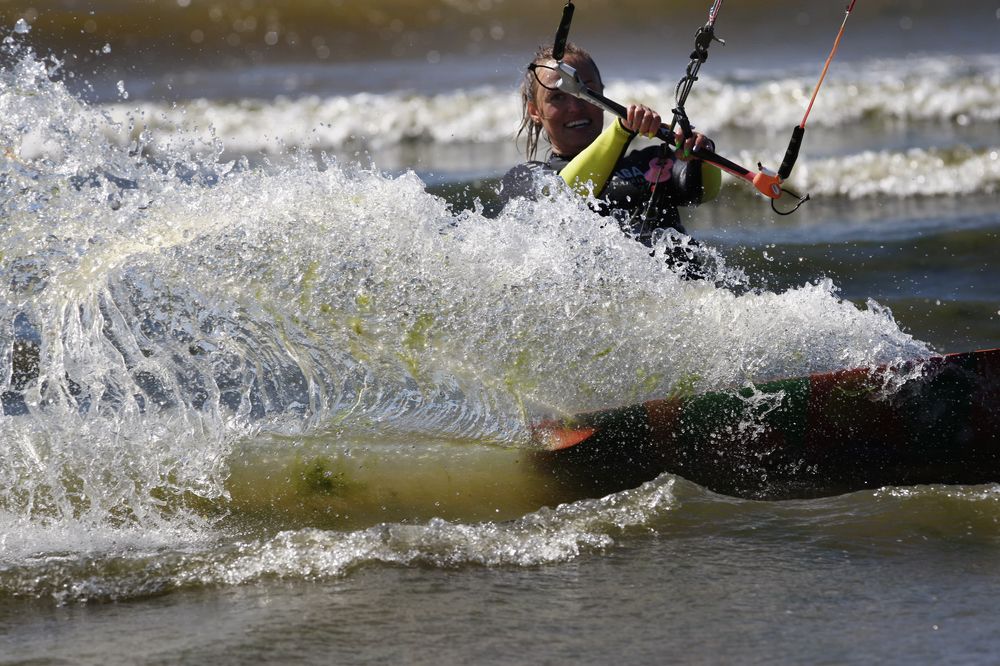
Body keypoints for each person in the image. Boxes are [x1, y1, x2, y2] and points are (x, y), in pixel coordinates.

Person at [499, 43, 721, 273]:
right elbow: (565, 197)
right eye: (557, 97)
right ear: (535, 111)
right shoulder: (525, 180)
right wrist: (621, 131)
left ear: (602, 93)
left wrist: (701, 154)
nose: (575, 107)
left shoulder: (652, 161)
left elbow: (700, 193)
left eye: (586, 91)